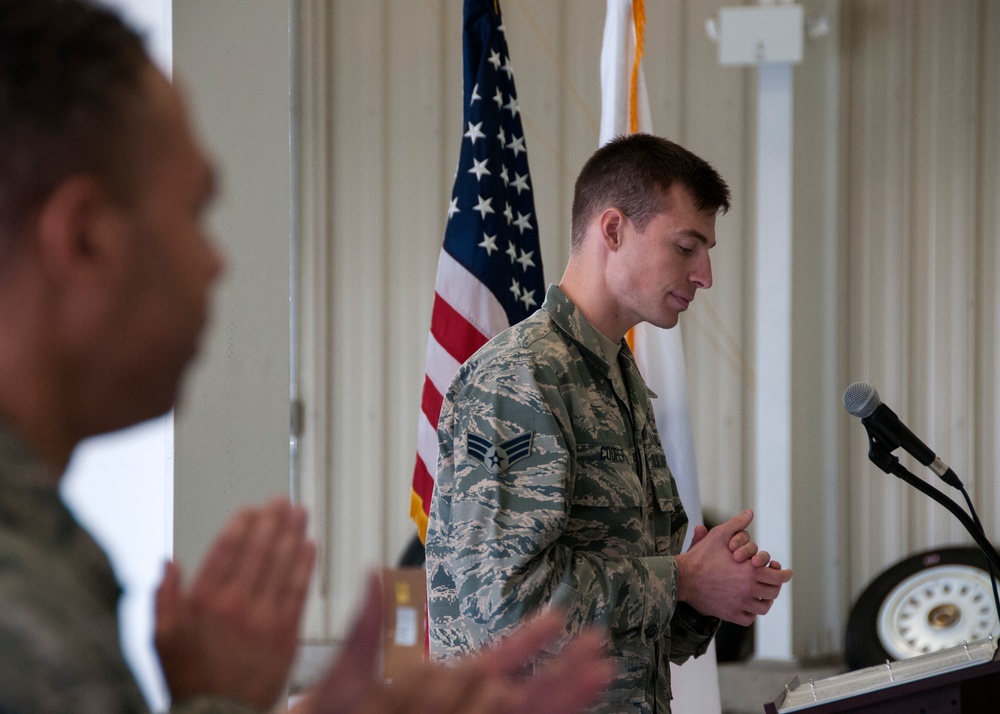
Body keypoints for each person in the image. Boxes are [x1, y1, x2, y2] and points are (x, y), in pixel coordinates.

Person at [0, 1, 612, 713]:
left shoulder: (45, 554)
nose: (215, 262)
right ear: (85, 240)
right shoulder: (24, 607)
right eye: (195, 213)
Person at [425, 133, 794, 713]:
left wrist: (711, 591)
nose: (705, 275)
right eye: (686, 247)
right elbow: (501, 611)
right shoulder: (520, 379)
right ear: (614, 230)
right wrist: (681, 580)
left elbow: (641, 638)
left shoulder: (621, 382)